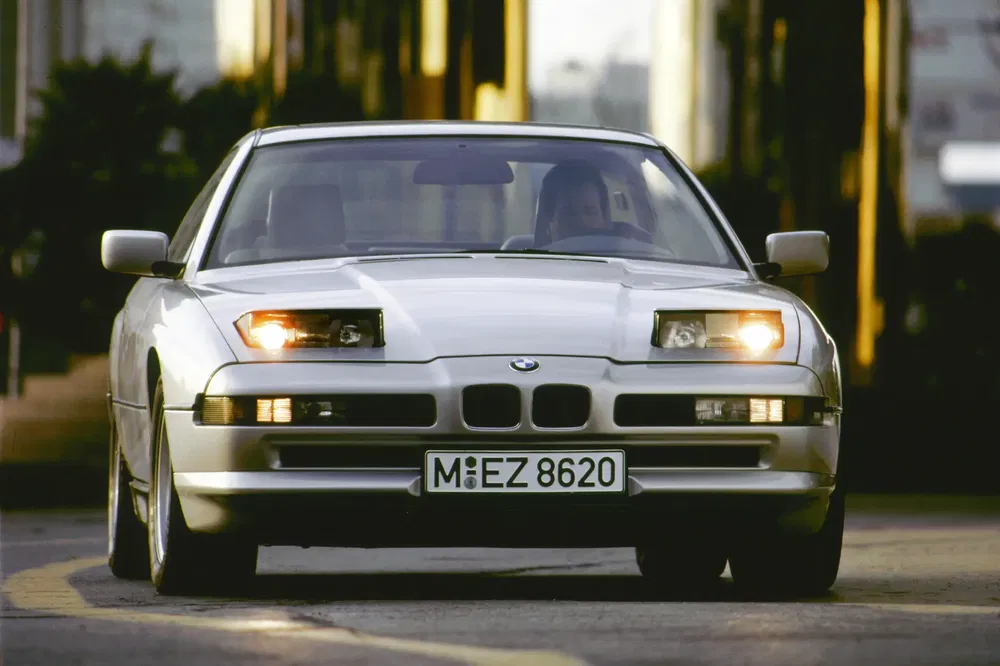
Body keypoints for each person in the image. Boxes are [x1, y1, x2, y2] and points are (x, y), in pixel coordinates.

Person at [533, 160, 613, 245]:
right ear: (549, 222)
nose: (582, 222)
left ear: (604, 219)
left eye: (591, 212)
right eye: (569, 213)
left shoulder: (625, 255)